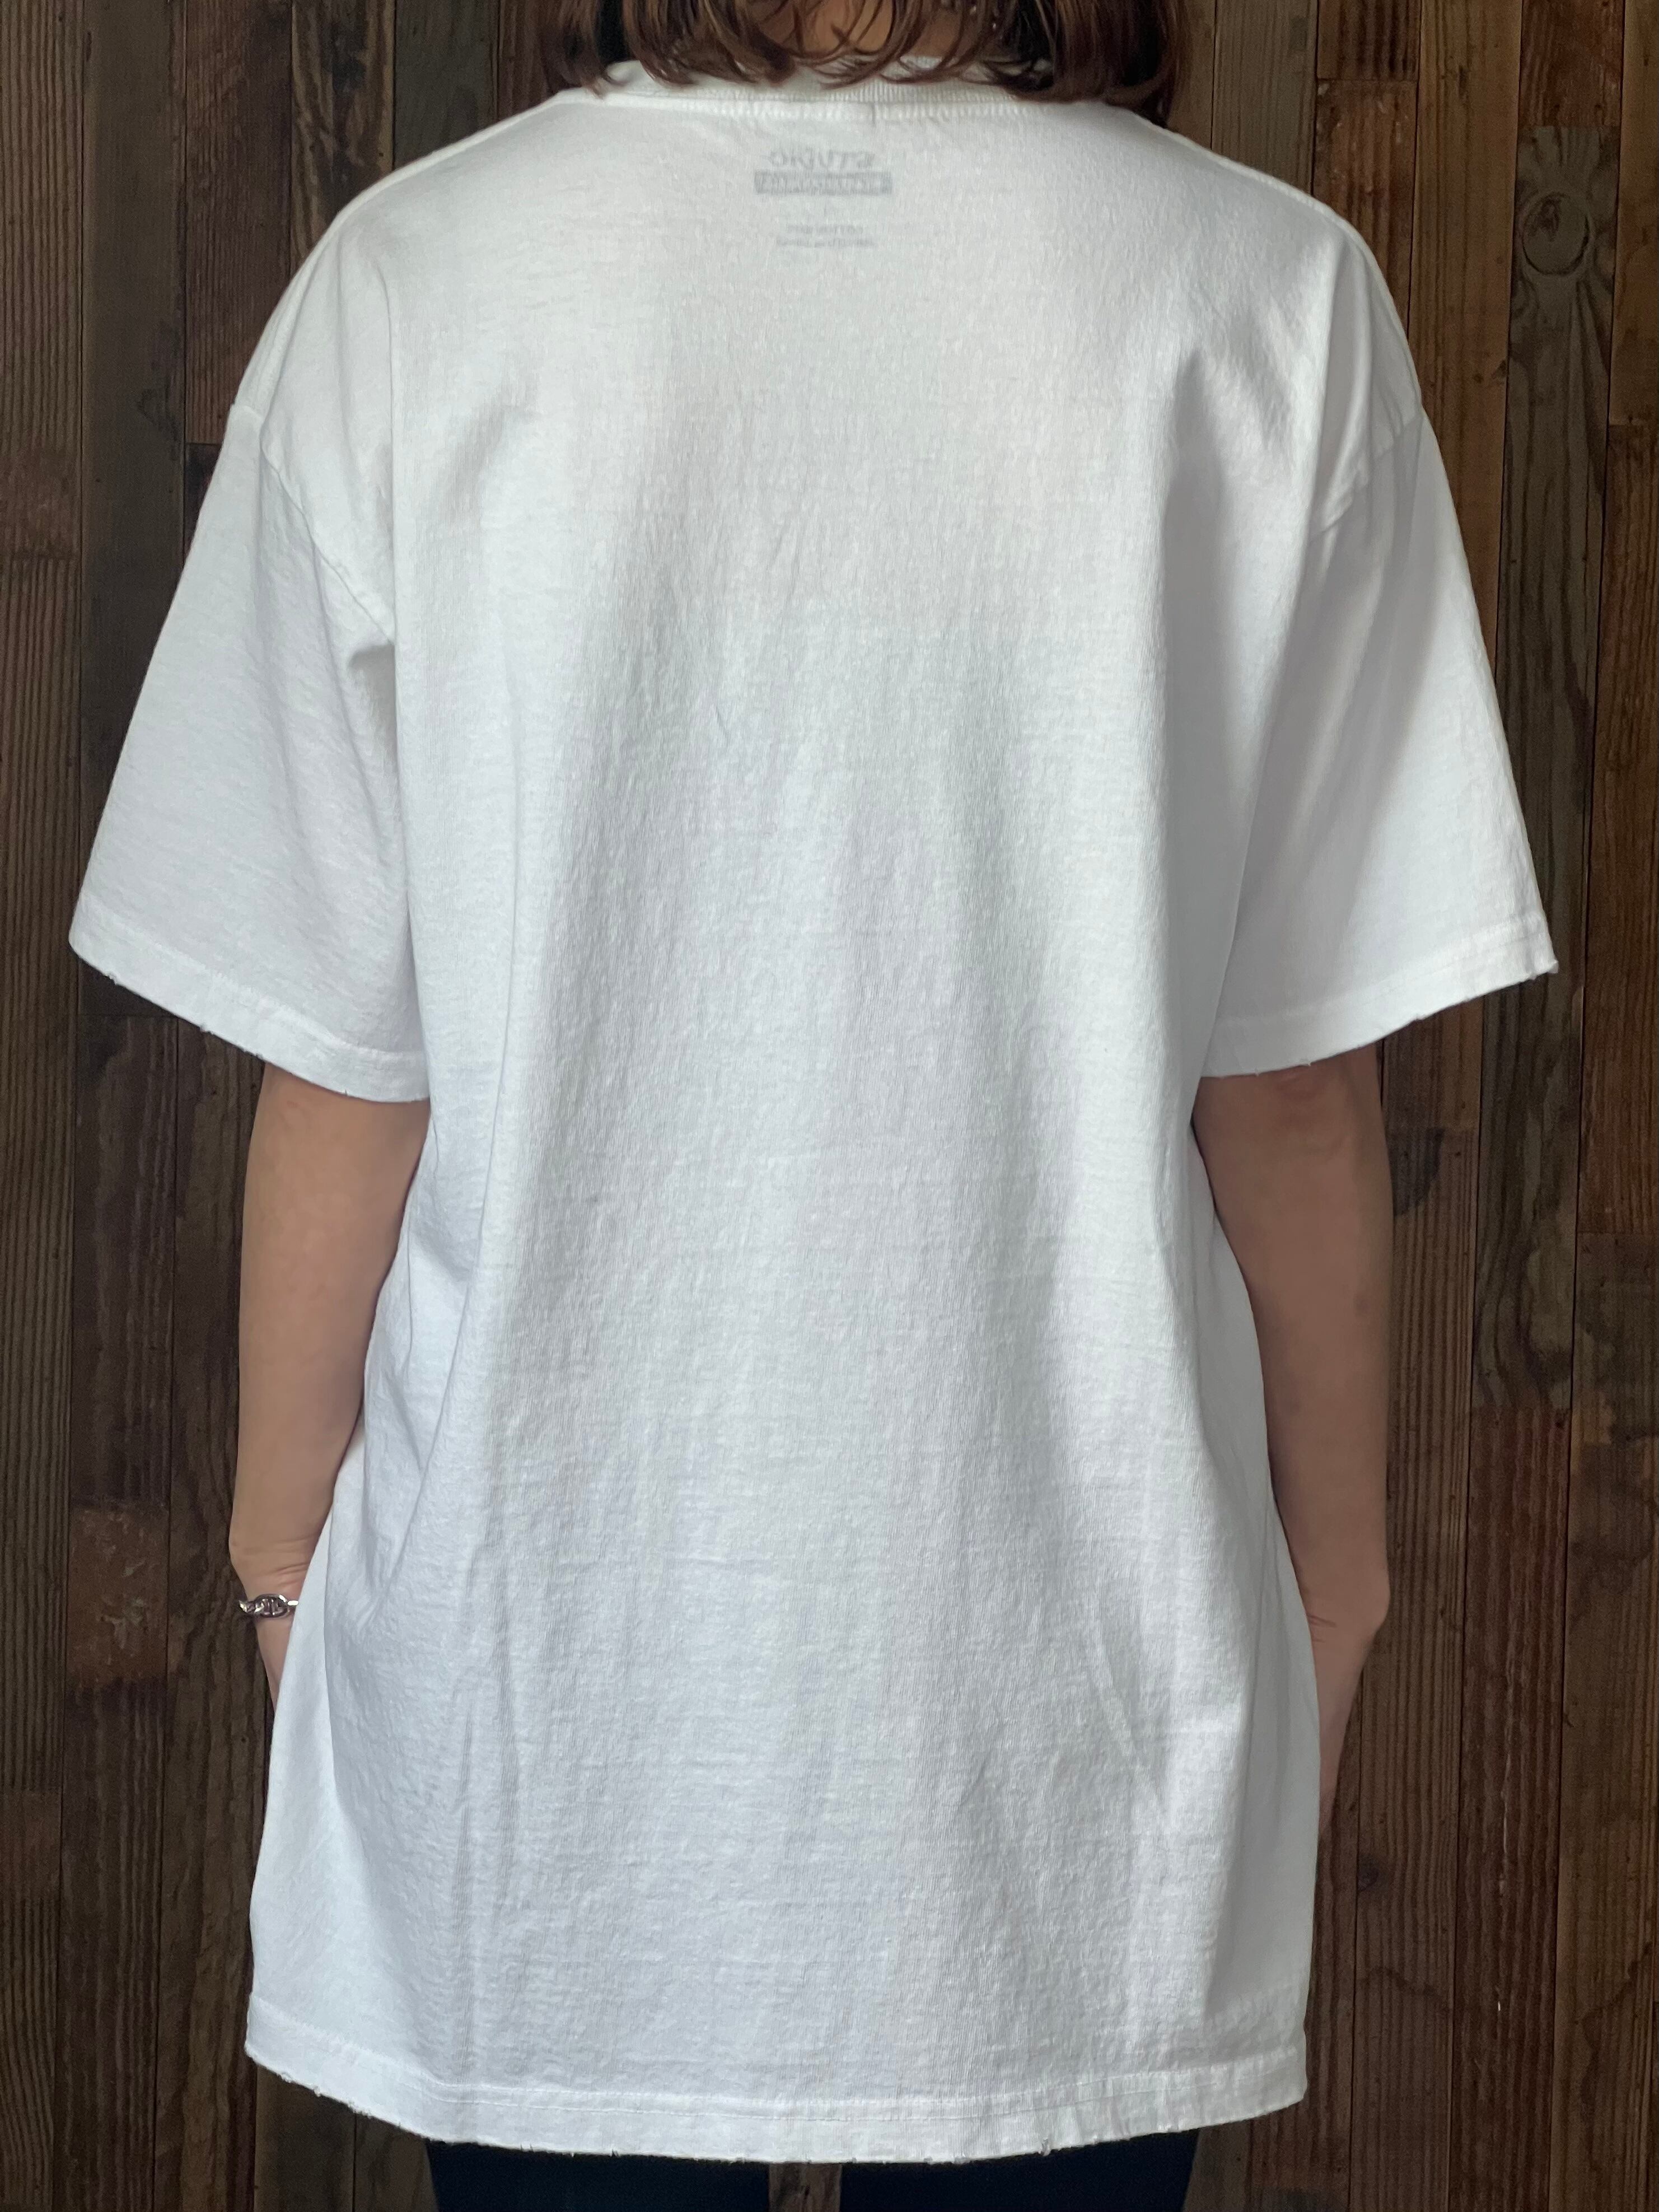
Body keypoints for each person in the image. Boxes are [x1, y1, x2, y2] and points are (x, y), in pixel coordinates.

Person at [66, 0, 1555, 2199]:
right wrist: (1336, 1578)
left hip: (546, 1668)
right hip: (1078, 1660)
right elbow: (1292, 1086)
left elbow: (352, 1070)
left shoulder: (419, 280)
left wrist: (283, 1563)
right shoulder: (1265, 301)